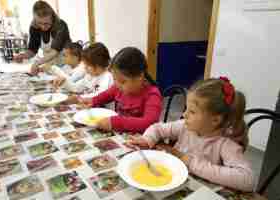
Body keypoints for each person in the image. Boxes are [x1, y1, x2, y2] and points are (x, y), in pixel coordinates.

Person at [126, 77, 254, 192]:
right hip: (171, 183)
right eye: (186, 108)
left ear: (215, 120)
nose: (184, 115)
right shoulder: (185, 126)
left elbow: (247, 179)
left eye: (192, 112)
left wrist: (191, 163)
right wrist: (147, 139)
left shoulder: (225, 143)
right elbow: (157, 128)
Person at [75, 47, 163, 134]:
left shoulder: (152, 95)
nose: (117, 84)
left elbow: (149, 123)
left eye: (122, 81)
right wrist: (92, 101)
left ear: (140, 76)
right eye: (114, 79)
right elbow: (106, 95)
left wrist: (115, 122)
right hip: (120, 134)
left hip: (141, 138)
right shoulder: (119, 87)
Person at [13, 0, 71, 74]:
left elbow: (54, 52)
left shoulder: (60, 25)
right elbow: (32, 50)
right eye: (39, 23)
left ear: (52, 17)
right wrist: (22, 56)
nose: (43, 27)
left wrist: (37, 63)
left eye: (46, 23)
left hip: (66, 65)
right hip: (50, 65)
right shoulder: (34, 27)